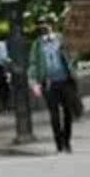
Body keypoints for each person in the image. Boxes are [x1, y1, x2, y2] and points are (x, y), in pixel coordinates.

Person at [28, 15, 77, 153]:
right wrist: (34, 82)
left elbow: (72, 54)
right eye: (40, 24)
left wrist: (72, 63)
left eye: (46, 23)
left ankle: (67, 140)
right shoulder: (37, 45)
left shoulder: (61, 39)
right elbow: (33, 64)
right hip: (49, 83)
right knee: (54, 114)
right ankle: (59, 143)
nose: (43, 26)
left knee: (68, 112)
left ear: (52, 25)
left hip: (65, 80)